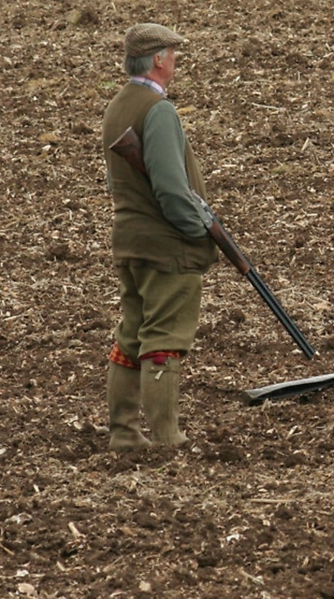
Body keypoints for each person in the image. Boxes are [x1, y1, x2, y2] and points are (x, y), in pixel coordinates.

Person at [100, 23, 217, 451]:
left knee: (131, 336)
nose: (176, 60)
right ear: (158, 60)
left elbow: (120, 185)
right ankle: (168, 439)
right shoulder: (158, 110)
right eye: (173, 53)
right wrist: (198, 233)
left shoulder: (118, 105)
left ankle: (125, 435)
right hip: (166, 248)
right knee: (164, 341)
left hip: (128, 241)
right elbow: (171, 188)